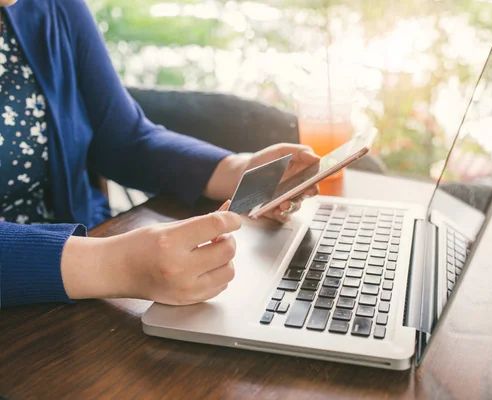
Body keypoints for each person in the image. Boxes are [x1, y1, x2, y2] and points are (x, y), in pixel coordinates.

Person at [0, 0, 319, 308]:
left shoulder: (53, 6)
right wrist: (113, 264)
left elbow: (125, 140)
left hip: (91, 287)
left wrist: (239, 169)